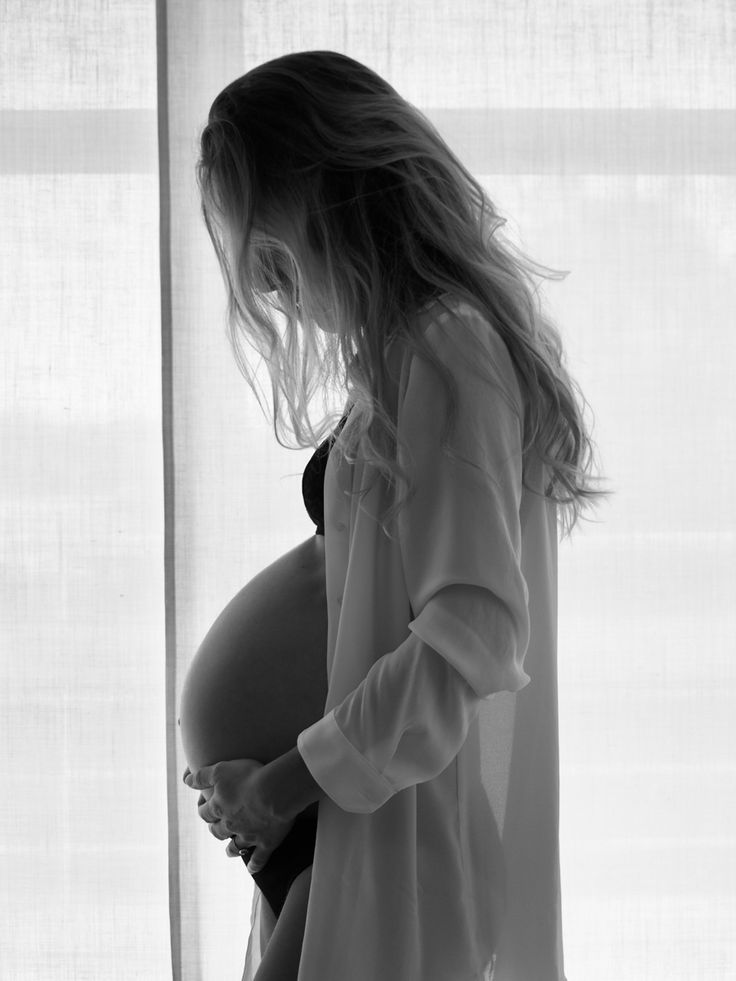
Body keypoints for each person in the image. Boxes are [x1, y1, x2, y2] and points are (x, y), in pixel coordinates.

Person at [183, 49, 612, 981]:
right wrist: (273, 792)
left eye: (263, 241)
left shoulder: (448, 345)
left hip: (376, 826)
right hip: (335, 825)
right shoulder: (409, 351)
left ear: (324, 193)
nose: (262, 287)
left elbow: (471, 633)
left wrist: (279, 782)